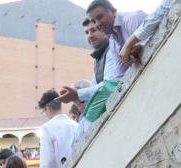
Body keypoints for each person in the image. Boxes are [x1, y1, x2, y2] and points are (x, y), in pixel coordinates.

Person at [57, 1, 146, 141]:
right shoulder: (113, 44)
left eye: (99, 19)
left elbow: (111, 84)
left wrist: (78, 94)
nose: (96, 25)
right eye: (87, 31)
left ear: (113, 11)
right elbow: (110, 83)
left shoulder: (131, 20)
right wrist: (79, 96)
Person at [37, 90, 78, 168]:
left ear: (47, 109)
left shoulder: (47, 128)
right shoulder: (75, 125)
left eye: (44, 112)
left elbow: (46, 160)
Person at [120, 0, 174, 65]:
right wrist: (138, 48)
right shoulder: (112, 41)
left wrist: (128, 44)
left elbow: (161, 11)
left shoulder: (131, 19)